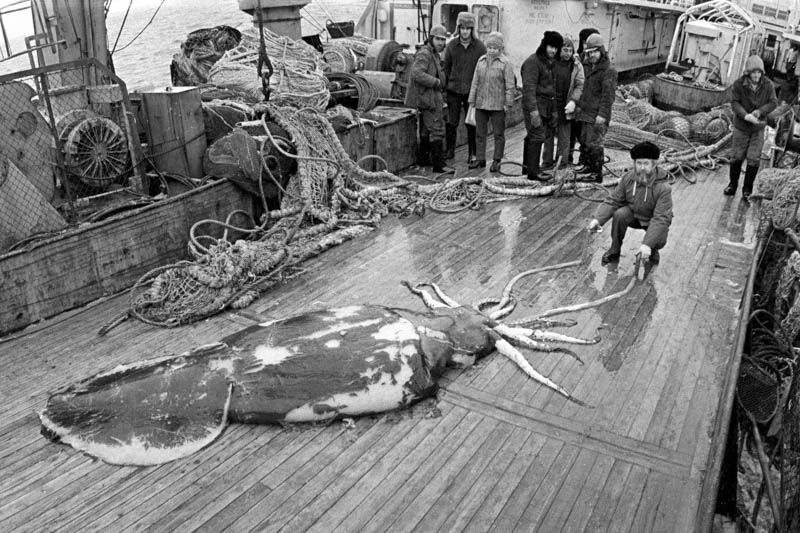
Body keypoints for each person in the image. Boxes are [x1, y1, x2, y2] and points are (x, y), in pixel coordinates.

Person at [588, 141, 673, 265]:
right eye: (639, 163)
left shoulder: (664, 188)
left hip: (653, 220)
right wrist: (598, 220)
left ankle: (651, 249)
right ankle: (614, 249)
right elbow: (613, 200)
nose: (642, 167)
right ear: (634, 163)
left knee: (658, 240)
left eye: (646, 163)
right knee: (620, 214)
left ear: (654, 164)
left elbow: (661, 219)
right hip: (634, 214)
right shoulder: (628, 178)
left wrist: (647, 244)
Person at [725, 55, 777, 199]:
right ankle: (732, 185)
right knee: (736, 156)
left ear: (762, 73)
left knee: (754, 158)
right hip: (741, 127)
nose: (756, 75)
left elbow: (773, 102)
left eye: (759, 72)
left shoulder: (768, 85)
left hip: (758, 128)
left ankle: (747, 189)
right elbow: (734, 103)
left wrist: (759, 112)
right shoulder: (738, 84)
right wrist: (745, 115)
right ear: (748, 72)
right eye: (753, 72)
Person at [405, 24, 453, 173]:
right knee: (436, 128)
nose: (441, 43)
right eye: (438, 39)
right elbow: (417, 74)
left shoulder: (432, 53)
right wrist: (436, 82)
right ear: (431, 38)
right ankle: (439, 165)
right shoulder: (425, 54)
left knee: (426, 130)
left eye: (443, 40)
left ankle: (424, 159)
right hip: (428, 98)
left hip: (427, 97)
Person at [467, 32, 515, 172]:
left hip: (498, 105)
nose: (492, 50)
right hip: (481, 103)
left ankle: (497, 160)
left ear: (500, 49)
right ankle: (480, 159)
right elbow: (475, 81)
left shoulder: (505, 63)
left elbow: (510, 85)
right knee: (480, 133)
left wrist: (508, 103)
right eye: (490, 47)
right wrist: (472, 100)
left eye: (495, 48)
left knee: (498, 133)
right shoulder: (481, 61)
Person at [443, 12, 486, 163]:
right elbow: (446, 67)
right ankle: (450, 151)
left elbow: (483, 70)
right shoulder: (451, 46)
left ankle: (472, 153)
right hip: (454, 90)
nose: (465, 31)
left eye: (468, 28)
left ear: (472, 29)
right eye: (462, 28)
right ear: (458, 28)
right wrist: (446, 86)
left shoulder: (480, 48)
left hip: (471, 92)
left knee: (471, 123)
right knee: (452, 122)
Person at [521, 31, 563, 181]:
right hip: (535, 106)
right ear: (544, 45)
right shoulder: (533, 62)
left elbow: (554, 88)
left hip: (547, 107)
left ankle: (527, 168)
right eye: (551, 47)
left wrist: (555, 112)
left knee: (534, 136)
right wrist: (533, 113)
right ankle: (533, 172)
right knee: (537, 136)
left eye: (556, 48)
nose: (553, 51)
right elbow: (529, 89)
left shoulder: (552, 63)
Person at [575, 33, 617, 183]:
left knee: (595, 143)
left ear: (601, 50)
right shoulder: (587, 66)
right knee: (585, 140)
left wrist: (603, 115)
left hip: (598, 114)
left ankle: (596, 173)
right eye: (588, 52)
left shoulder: (608, 70)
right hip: (586, 112)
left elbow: (608, 96)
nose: (591, 55)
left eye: (594, 52)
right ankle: (587, 166)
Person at [541, 35, 584, 172]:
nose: (568, 53)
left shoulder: (576, 65)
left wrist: (573, 101)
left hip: (567, 106)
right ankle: (546, 163)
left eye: (570, 50)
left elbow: (580, 84)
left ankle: (562, 164)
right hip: (551, 105)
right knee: (548, 135)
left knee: (564, 138)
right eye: (565, 50)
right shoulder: (550, 63)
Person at [569, 28, 599, 166]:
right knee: (574, 133)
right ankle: (569, 158)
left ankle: (587, 163)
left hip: (590, 107)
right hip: (577, 103)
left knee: (588, 137)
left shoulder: (601, 64)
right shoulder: (577, 59)